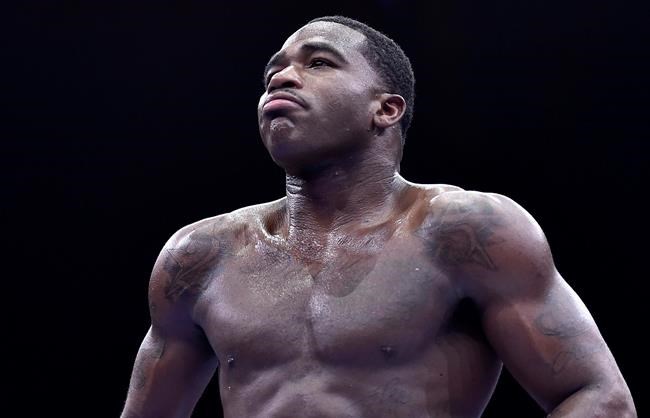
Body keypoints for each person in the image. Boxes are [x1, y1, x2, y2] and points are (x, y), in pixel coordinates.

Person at [121, 15, 636, 418]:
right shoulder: (200, 255)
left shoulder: (464, 230)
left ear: (386, 109)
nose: (281, 77)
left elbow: (599, 398)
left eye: (318, 63)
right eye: (272, 71)